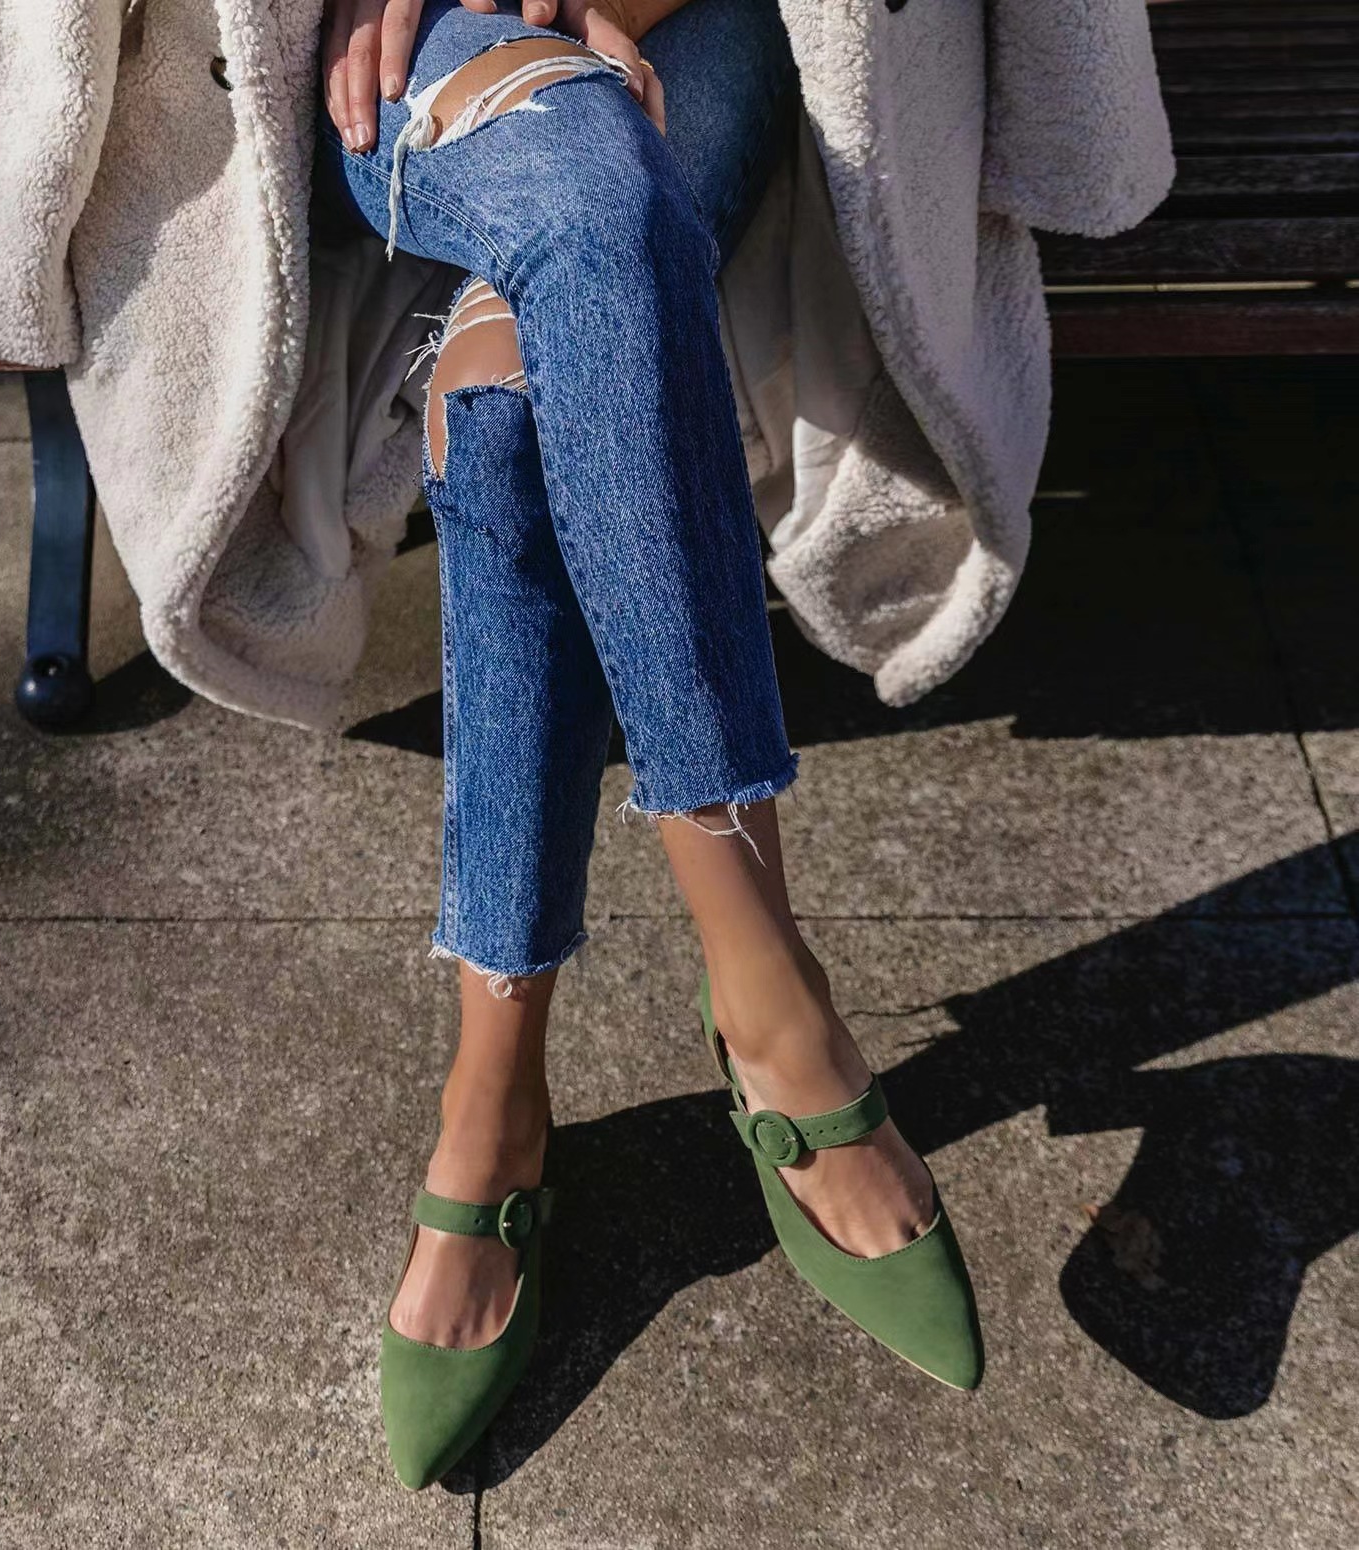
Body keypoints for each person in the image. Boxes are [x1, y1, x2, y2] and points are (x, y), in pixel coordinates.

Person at [318, 0, 982, 1490]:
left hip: (703, 21)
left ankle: (494, 1102)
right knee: (595, 203)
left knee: (502, 403)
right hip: (422, 44)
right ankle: (771, 998)